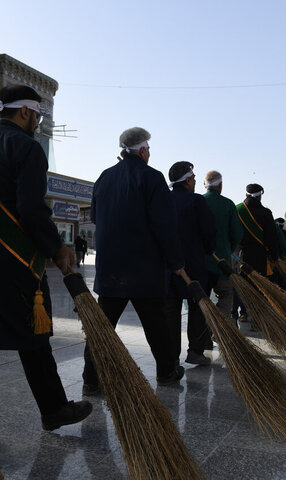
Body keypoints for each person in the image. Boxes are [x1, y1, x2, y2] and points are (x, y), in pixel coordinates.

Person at [0, 85, 92, 437]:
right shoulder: (27, 148)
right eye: (38, 116)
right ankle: (54, 408)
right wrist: (57, 247)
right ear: (27, 113)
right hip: (12, 257)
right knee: (33, 329)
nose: (38, 124)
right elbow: (31, 209)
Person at [82, 127, 186, 395]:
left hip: (110, 269)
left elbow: (95, 217)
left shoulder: (104, 177)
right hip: (144, 268)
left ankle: (91, 379)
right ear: (142, 150)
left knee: (102, 327)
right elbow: (165, 225)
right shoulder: (152, 178)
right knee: (156, 324)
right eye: (149, 149)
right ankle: (166, 372)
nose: (149, 153)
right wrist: (176, 261)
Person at [164, 162, 216, 366]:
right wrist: (207, 249)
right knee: (198, 307)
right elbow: (209, 231)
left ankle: (170, 358)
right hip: (192, 264)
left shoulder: (163, 200)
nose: (195, 182)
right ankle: (195, 351)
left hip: (168, 266)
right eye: (193, 179)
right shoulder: (196, 201)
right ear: (187, 180)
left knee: (170, 311)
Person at [203, 170, 243, 326]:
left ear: (204, 184)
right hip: (222, 261)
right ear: (220, 185)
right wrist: (229, 249)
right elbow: (237, 233)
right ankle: (219, 328)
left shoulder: (198, 201)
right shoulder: (228, 204)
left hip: (201, 261)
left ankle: (204, 336)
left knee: (202, 298)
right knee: (226, 294)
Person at [237, 184, 280, 277]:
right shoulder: (266, 213)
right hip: (260, 256)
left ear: (246, 195)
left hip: (241, 255)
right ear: (260, 196)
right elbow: (272, 237)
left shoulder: (237, 210)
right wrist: (274, 256)